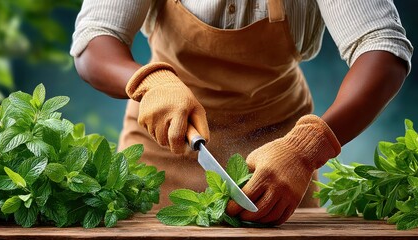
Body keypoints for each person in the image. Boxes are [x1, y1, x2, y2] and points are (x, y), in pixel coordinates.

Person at [70, 0, 413, 225]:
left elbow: (383, 49)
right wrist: (150, 83)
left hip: (280, 154)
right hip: (163, 143)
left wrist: (306, 148)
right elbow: (94, 40)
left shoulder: (295, 153)